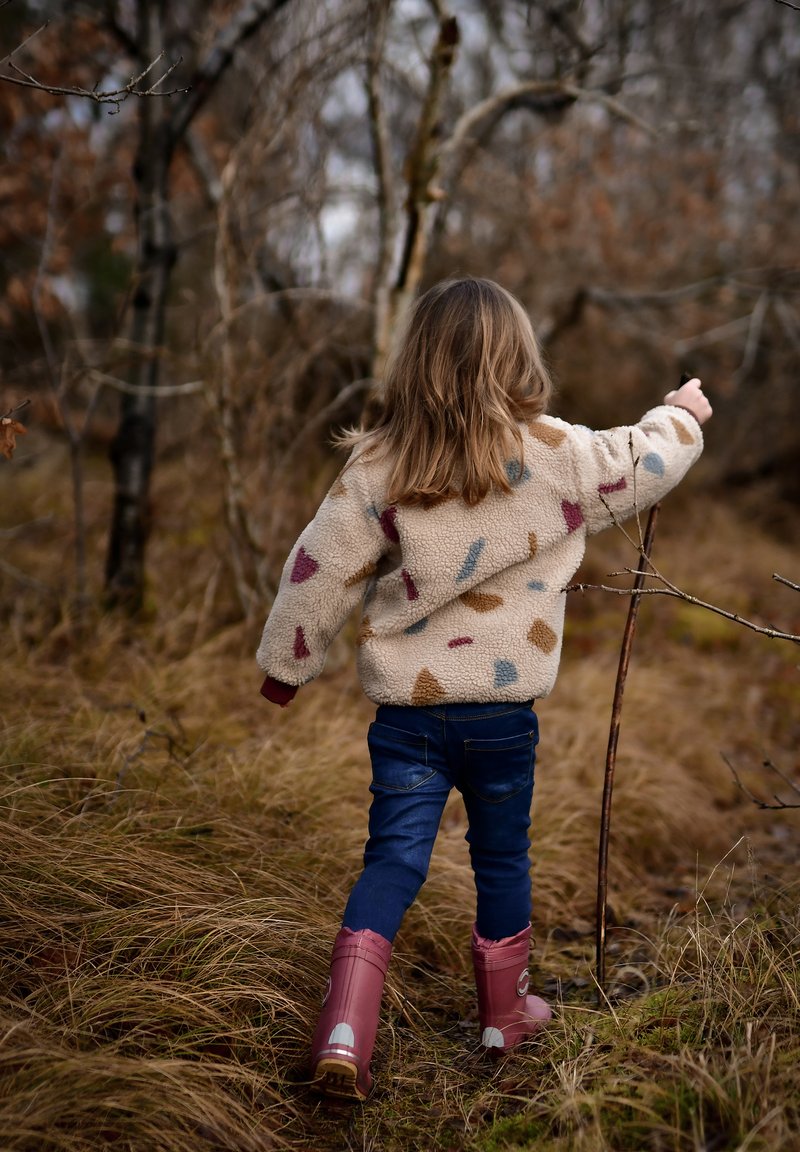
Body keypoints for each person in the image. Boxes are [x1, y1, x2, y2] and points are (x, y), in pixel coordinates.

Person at [256, 277, 712, 1101]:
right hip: (503, 717)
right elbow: (642, 462)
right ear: (518, 359)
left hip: (409, 719)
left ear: (418, 361)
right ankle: (505, 1017)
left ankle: (345, 1029)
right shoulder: (556, 453)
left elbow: (316, 568)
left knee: (393, 859)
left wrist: (286, 667)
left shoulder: (381, 463)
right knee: (503, 856)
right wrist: (680, 413)